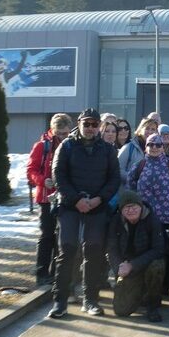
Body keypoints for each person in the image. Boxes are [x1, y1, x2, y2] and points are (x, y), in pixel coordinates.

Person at [48, 108, 120, 318]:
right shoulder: (67, 146)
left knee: (94, 251)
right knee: (67, 249)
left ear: (99, 126)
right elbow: (58, 175)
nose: (90, 128)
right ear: (79, 124)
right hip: (71, 206)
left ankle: (90, 300)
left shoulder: (107, 149)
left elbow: (114, 179)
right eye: (86, 124)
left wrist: (99, 199)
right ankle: (59, 301)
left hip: (97, 206)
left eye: (94, 124)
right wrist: (76, 200)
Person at [106, 189, 166, 322]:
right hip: (126, 267)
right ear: (121, 210)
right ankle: (140, 293)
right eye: (126, 207)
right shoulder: (116, 221)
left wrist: (133, 265)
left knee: (158, 266)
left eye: (134, 206)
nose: (130, 210)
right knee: (120, 310)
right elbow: (112, 248)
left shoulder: (152, 220)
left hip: (145, 264)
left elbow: (159, 249)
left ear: (141, 206)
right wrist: (119, 268)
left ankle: (153, 304)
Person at [27, 112, 72, 285]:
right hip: (46, 198)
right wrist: (42, 180)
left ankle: (56, 273)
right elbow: (31, 170)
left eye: (66, 133)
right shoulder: (42, 146)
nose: (62, 137)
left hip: (65, 197)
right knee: (47, 235)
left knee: (60, 237)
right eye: (59, 133)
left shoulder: (71, 146)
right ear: (53, 131)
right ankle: (42, 273)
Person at [128, 133, 169, 237]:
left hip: (168, 220)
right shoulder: (138, 166)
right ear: (145, 147)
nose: (154, 147)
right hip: (143, 218)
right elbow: (130, 190)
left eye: (158, 145)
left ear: (163, 147)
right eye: (151, 145)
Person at [118, 117, 158, 185]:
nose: (150, 132)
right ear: (140, 129)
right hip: (131, 192)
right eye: (147, 128)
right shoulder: (128, 147)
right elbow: (118, 170)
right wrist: (134, 179)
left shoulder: (158, 149)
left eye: (153, 129)